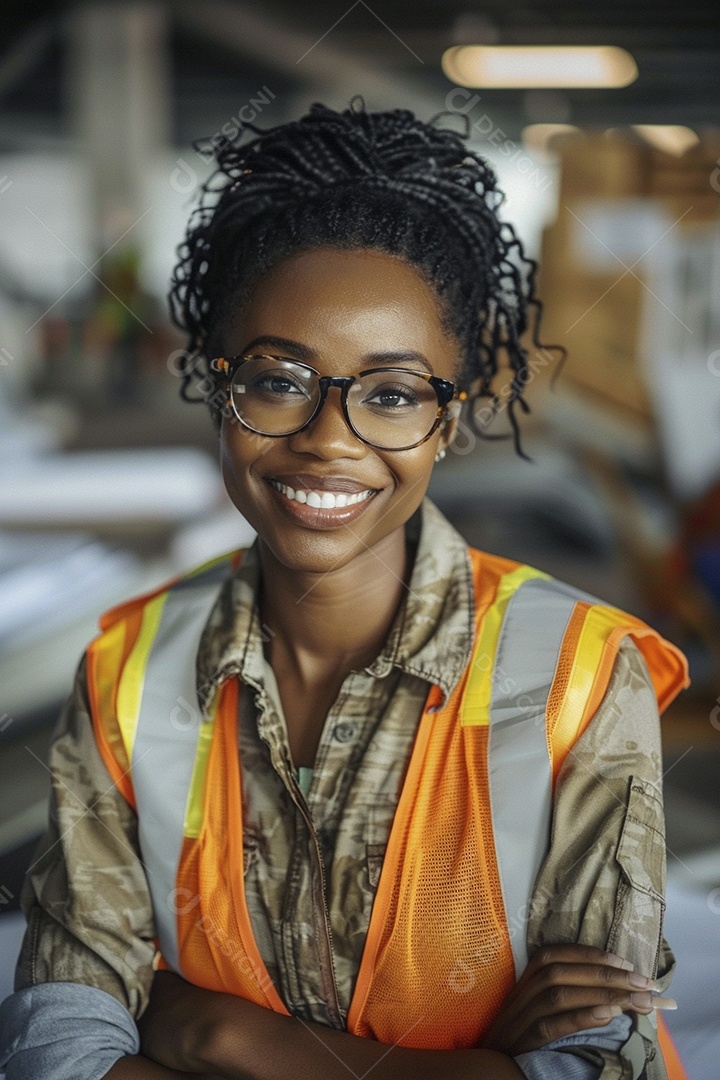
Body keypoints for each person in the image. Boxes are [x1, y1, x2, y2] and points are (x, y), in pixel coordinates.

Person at [0, 101, 689, 1080]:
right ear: (218, 386)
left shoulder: (579, 676)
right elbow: (60, 1047)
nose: (329, 439)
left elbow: (598, 1066)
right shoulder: (129, 669)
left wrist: (222, 1037)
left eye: (394, 395)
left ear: (449, 421)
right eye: (279, 381)